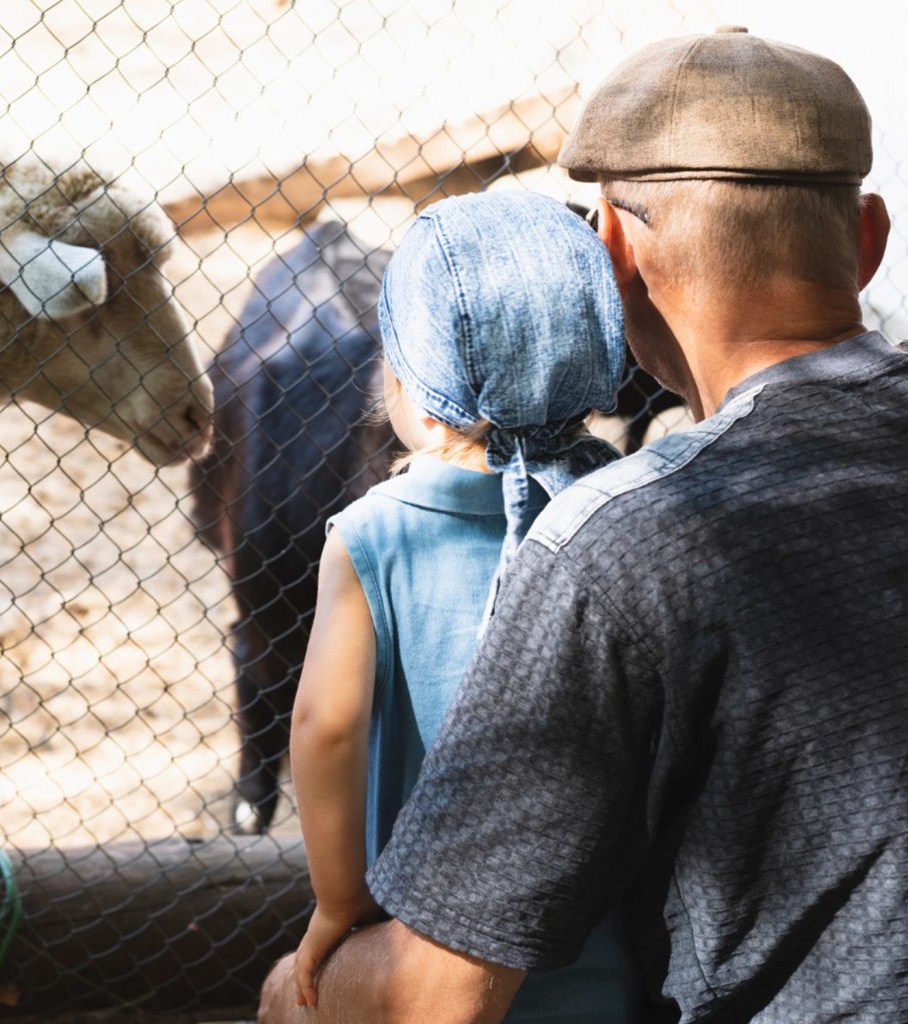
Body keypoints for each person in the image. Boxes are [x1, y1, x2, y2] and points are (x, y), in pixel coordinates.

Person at [259, 26, 906, 1024]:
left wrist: (300, 992)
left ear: (608, 251)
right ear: (865, 239)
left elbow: (439, 996)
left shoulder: (627, 543)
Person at [288, 189, 643, 1022]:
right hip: (612, 961)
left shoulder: (374, 536)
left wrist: (340, 904)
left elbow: (323, 728)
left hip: (426, 953)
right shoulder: (631, 506)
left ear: (412, 386)